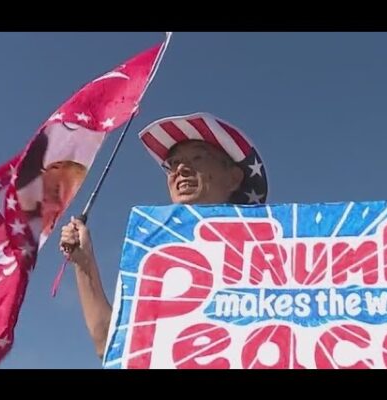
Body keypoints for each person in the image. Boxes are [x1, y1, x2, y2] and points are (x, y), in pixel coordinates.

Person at [59, 112, 268, 359]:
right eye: (173, 163)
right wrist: (84, 264)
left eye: (197, 157)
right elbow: (109, 343)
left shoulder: (270, 254)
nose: (180, 169)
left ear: (233, 178)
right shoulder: (155, 259)